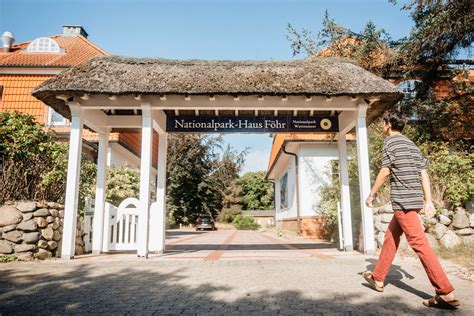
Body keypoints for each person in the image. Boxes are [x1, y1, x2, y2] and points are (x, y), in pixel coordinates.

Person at [362, 111, 460, 310]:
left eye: (383, 124)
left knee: (420, 244)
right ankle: (378, 278)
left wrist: (372, 194)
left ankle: (445, 292)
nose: (382, 127)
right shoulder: (412, 145)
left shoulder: (390, 143)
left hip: (403, 202)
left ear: (389, 124)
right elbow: (423, 174)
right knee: (391, 236)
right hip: (413, 201)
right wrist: (428, 201)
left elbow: (385, 170)